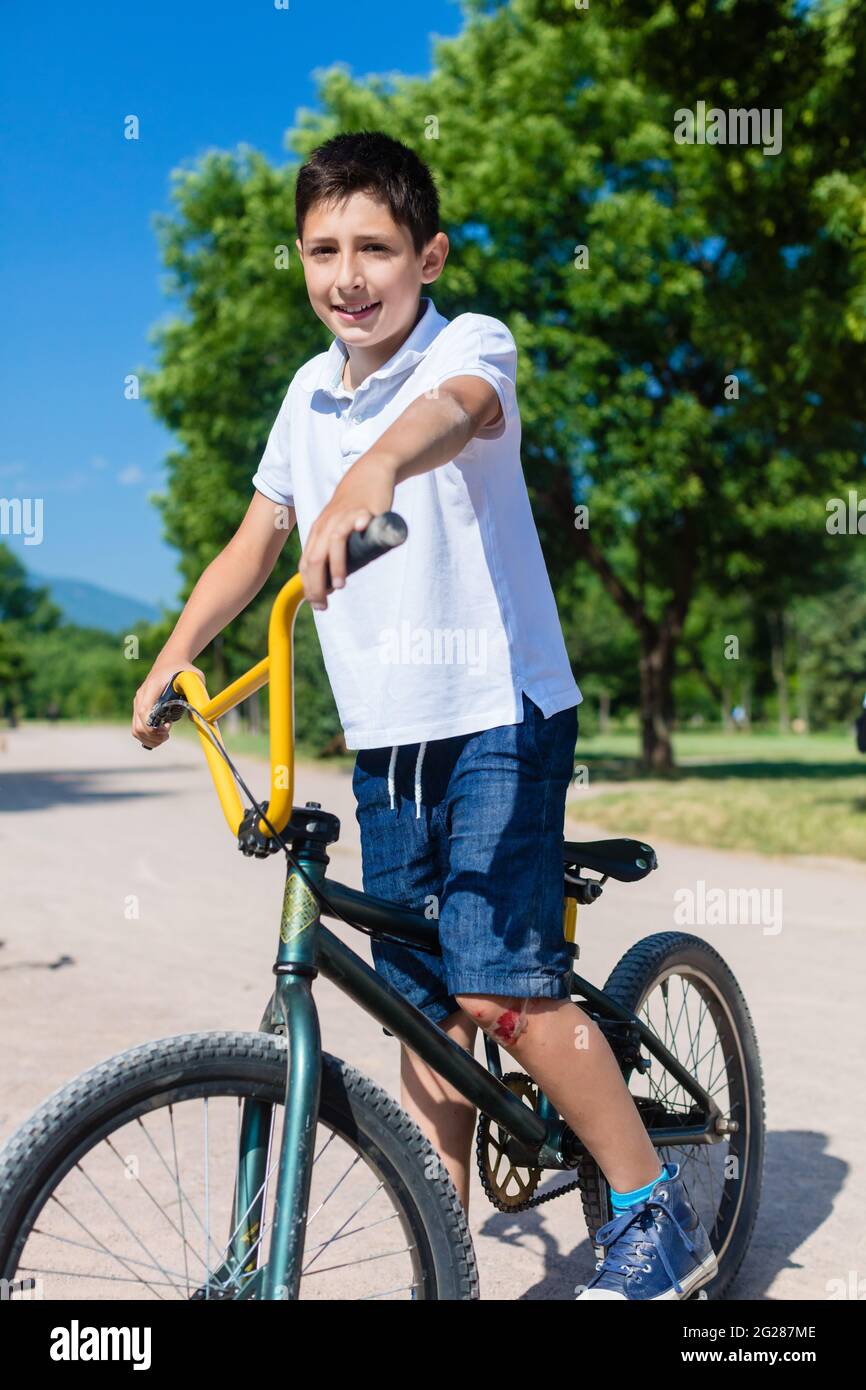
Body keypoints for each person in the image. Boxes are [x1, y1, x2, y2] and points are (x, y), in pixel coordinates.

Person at [131, 130, 715, 1301]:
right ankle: (436, 1246)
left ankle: (653, 1212)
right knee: (421, 1011)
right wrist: (176, 656)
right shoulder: (306, 393)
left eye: (376, 248)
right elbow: (256, 541)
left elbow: (453, 414)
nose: (347, 274)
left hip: (496, 711)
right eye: (322, 249)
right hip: (389, 742)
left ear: (428, 254)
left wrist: (375, 470)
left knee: (500, 988)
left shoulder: (469, 344)